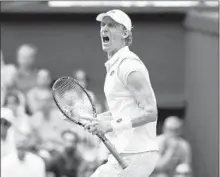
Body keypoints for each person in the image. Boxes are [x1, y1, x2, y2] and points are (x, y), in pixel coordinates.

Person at [83, 9, 159, 177]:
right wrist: (95, 119)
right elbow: (124, 110)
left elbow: (151, 112)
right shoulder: (115, 66)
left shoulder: (129, 66)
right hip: (125, 154)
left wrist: (109, 126)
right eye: (103, 25)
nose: (104, 29)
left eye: (111, 25)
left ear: (125, 33)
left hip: (137, 154)